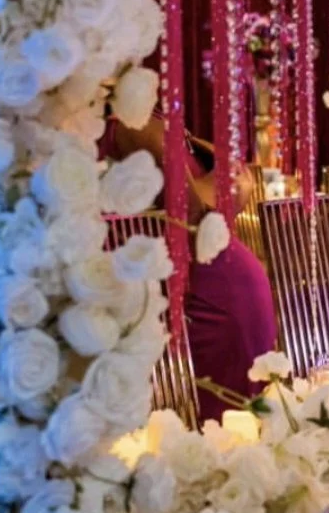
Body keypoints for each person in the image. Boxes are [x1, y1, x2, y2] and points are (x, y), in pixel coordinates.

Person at [100, 112, 278, 423]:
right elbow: (193, 212)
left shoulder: (159, 124)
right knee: (213, 437)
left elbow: (232, 186)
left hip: (221, 300)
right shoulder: (130, 125)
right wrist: (220, 187)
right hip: (200, 307)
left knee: (235, 438)